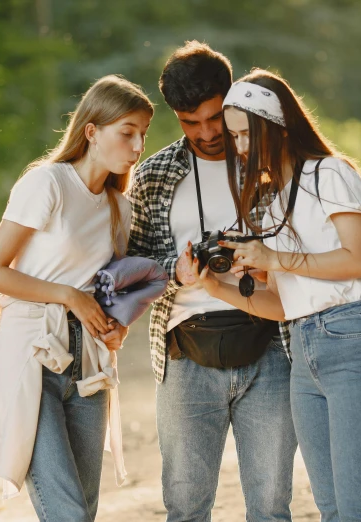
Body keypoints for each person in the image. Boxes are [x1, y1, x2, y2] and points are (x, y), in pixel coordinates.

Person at [197, 69, 361, 522]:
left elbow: (360, 260)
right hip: (301, 349)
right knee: (330, 510)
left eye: (246, 134)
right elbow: (283, 305)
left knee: (359, 508)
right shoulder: (273, 197)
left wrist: (274, 258)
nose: (240, 147)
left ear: (276, 124)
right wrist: (214, 285)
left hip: (350, 337)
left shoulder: (331, 173)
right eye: (234, 137)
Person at [126, 42, 298, 521]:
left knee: (270, 505)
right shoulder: (154, 176)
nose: (205, 133)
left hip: (271, 343)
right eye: (188, 121)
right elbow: (132, 269)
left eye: (213, 117)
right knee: (185, 506)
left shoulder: (270, 163)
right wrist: (174, 271)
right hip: (185, 352)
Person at [0, 75, 153, 521]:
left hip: (89, 363)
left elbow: (107, 288)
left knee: (82, 510)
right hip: (34, 353)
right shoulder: (48, 184)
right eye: (127, 133)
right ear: (91, 131)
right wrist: (68, 296)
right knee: (67, 512)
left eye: (142, 136)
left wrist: (117, 326)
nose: (137, 148)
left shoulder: (120, 207)